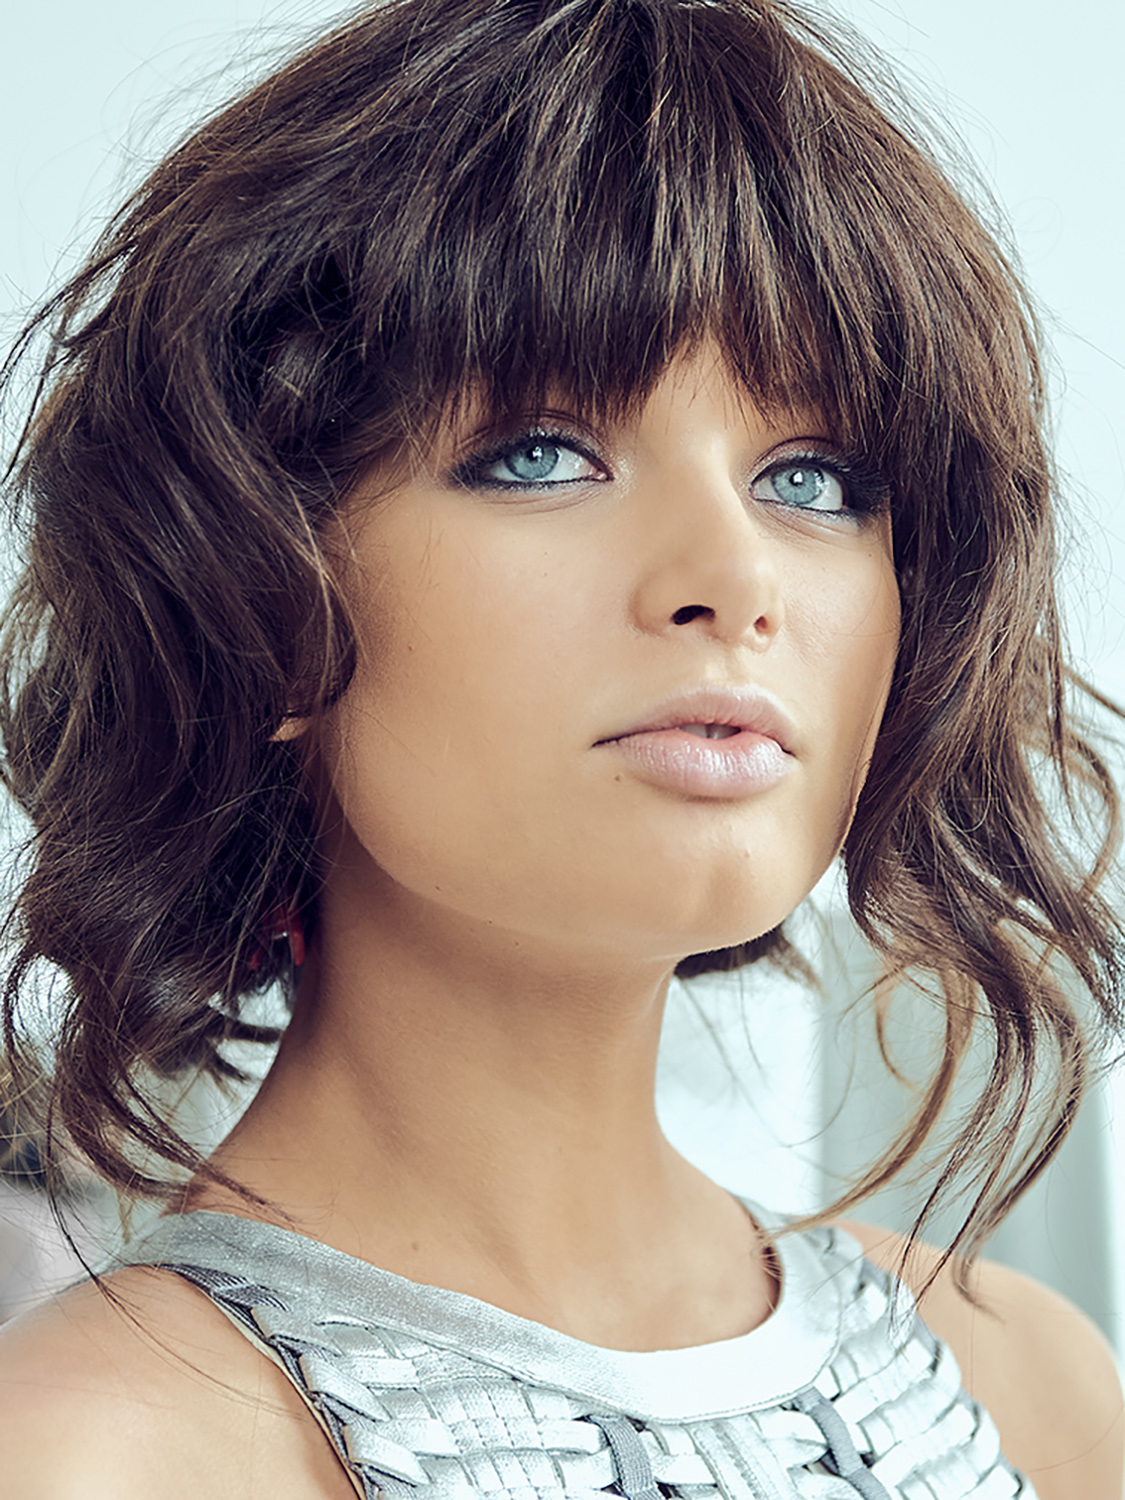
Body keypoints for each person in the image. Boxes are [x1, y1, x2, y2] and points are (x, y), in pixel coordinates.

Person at [0, 0, 1122, 1495]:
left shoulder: (1029, 1387)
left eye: (816, 477)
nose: (733, 575)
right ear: (254, 598)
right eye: (539, 454)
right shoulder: (96, 1451)